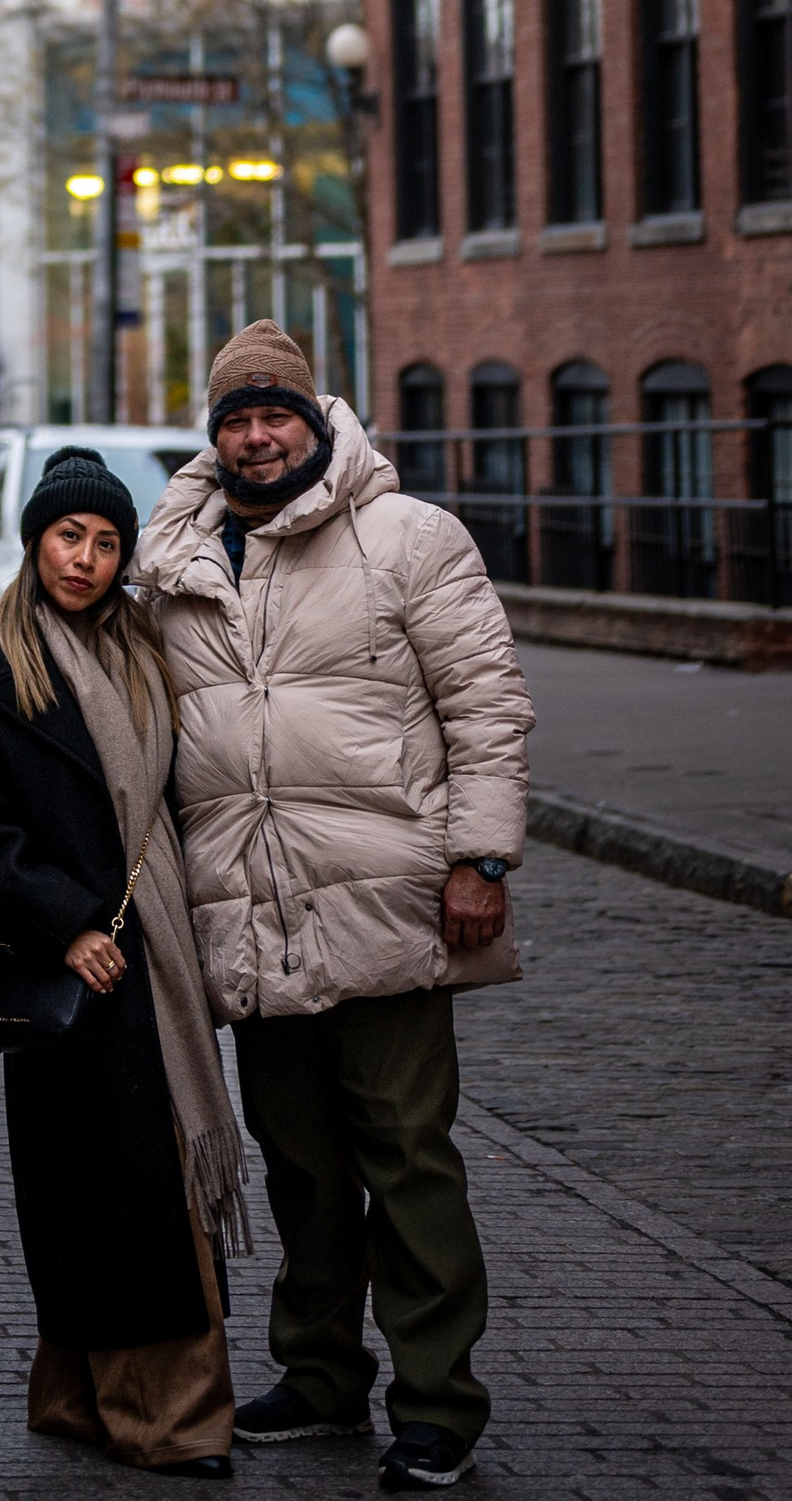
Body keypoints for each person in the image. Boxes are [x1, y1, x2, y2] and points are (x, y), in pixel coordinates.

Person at [133, 326, 533, 1497]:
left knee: (405, 1158)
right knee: (299, 1166)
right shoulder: (179, 557)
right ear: (215, 438)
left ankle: (437, 1403)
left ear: (315, 419)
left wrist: (481, 859)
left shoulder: (408, 538)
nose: (257, 437)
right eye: (235, 421)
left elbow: (486, 706)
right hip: (249, 913)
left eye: (275, 416)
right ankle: (317, 1376)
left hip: (392, 906)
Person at [0, 451, 244, 1477]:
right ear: (33, 542)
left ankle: (92, 1401)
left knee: (139, 1187)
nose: (88, 559)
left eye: (108, 543)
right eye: (70, 536)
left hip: (155, 961)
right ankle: (159, 1416)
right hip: (71, 967)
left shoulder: (143, 650)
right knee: (99, 1191)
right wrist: (62, 921)